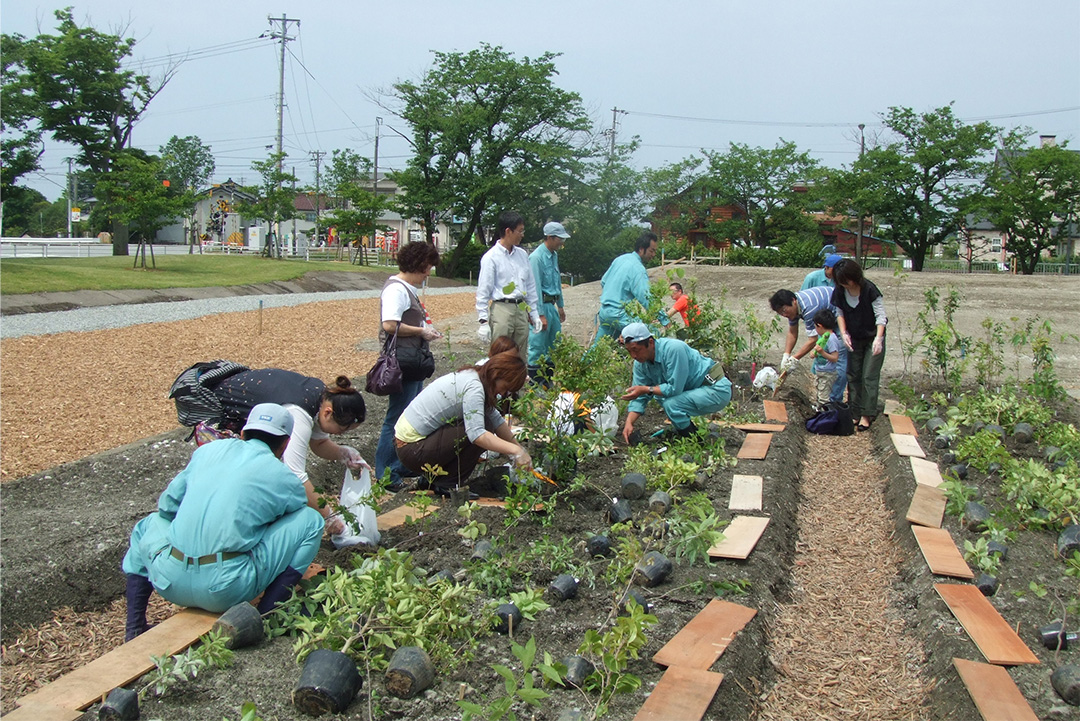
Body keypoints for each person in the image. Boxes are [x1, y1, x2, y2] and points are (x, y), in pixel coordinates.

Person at [121, 404, 324, 640]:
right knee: (311, 521)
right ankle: (267, 614)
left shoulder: (207, 451)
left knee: (146, 525)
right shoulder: (285, 478)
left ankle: (134, 627)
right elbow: (292, 514)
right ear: (286, 444)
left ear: (243, 433)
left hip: (169, 581)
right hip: (227, 589)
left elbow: (167, 507)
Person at [212, 369, 367, 534]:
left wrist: (345, 454)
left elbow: (319, 443)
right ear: (328, 412)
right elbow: (295, 475)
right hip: (219, 406)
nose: (340, 435)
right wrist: (329, 518)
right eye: (342, 429)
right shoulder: (298, 414)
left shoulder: (323, 399)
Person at [395, 347, 532, 492]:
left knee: (487, 422)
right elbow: (477, 434)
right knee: (483, 427)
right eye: (504, 387)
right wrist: (515, 450)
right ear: (497, 374)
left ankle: (434, 479)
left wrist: (520, 450)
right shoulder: (474, 388)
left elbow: (497, 419)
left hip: (416, 444)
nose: (503, 393)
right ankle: (446, 485)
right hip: (411, 449)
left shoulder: (476, 376)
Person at [375, 241, 442, 491]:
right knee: (396, 418)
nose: (428, 273)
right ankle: (386, 474)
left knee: (407, 415)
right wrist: (422, 331)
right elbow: (390, 325)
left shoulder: (406, 288)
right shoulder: (397, 290)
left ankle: (399, 465)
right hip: (402, 362)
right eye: (427, 267)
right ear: (419, 264)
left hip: (411, 361)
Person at [618, 322, 732, 443]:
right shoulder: (640, 363)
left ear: (650, 342)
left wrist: (647, 389)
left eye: (636, 350)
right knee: (663, 398)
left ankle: (694, 443)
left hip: (715, 389)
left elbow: (674, 389)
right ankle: (691, 434)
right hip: (695, 391)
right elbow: (639, 395)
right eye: (629, 351)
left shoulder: (673, 349)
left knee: (671, 404)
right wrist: (629, 423)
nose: (633, 355)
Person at [476, 210, 545, 362]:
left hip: (521, 308)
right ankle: (497, 385)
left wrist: (534, 314)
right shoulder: (491, 258)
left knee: (520, 354)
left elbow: (530, 287)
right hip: (502, 308)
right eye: (520, 231)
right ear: (508, 231)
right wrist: (483, 321)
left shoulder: (522, 255)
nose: (522, 234)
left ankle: (517, 385)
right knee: (500, 354)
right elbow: (483, 292)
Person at [831, 259, 887, 431]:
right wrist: (844, 332)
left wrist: (879, 338)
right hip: (854, 337)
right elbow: (839, 312)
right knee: (853, 374)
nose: (846, 285)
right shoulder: (840, 291)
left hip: (872, 337)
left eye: (847, 281)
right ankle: (855, 412)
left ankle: (866, 413)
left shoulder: (870, 290)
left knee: (868, 375)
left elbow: (880, 316)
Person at [768, 286, 847, 403]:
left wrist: (794, 359)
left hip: (841, 314)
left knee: (838, 357)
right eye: (780, 313)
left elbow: (813, 339)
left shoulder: (809, 308)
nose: (784, 314)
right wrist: (786, 354)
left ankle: (834, 401)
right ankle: (824, 396)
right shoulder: (793, 310)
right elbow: (792, 332)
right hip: (827, 318)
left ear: (793, 301)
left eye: (784, 310)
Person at [596, 231, 659, 342]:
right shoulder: (638, 269)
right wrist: (663, 318)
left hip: (605, 311)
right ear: (641, 249)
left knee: (598, 349)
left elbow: (604, 281)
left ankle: (585, 360)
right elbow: (645, 296)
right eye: (651, 251)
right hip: (619, 314)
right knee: (652, 333)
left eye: (655, 251)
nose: (653, 255)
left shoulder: (620, 259)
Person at [527, 221, 570, 378]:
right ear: (550, 237)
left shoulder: (554, 256)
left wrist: (560, 306)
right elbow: (535, 287)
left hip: (552, 305)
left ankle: (548, 382)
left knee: (554, 344)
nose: (562, 242)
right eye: (560, 238)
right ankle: (535, 383)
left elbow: (557, 281)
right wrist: (539, 314)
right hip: (541, 305)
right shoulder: (536, 258)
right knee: (538, 345)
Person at [808, 308, 843, 410]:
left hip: (828, 373)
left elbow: (835, 358)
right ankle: (819, 410)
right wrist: (814, 353)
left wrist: (822, 352)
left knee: (824, 396)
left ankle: (825, 415)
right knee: (819, 392)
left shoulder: (832, 339)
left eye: (816, 327)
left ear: (820, 326)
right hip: (821, 371)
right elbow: (815, 351)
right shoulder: (822, 337)